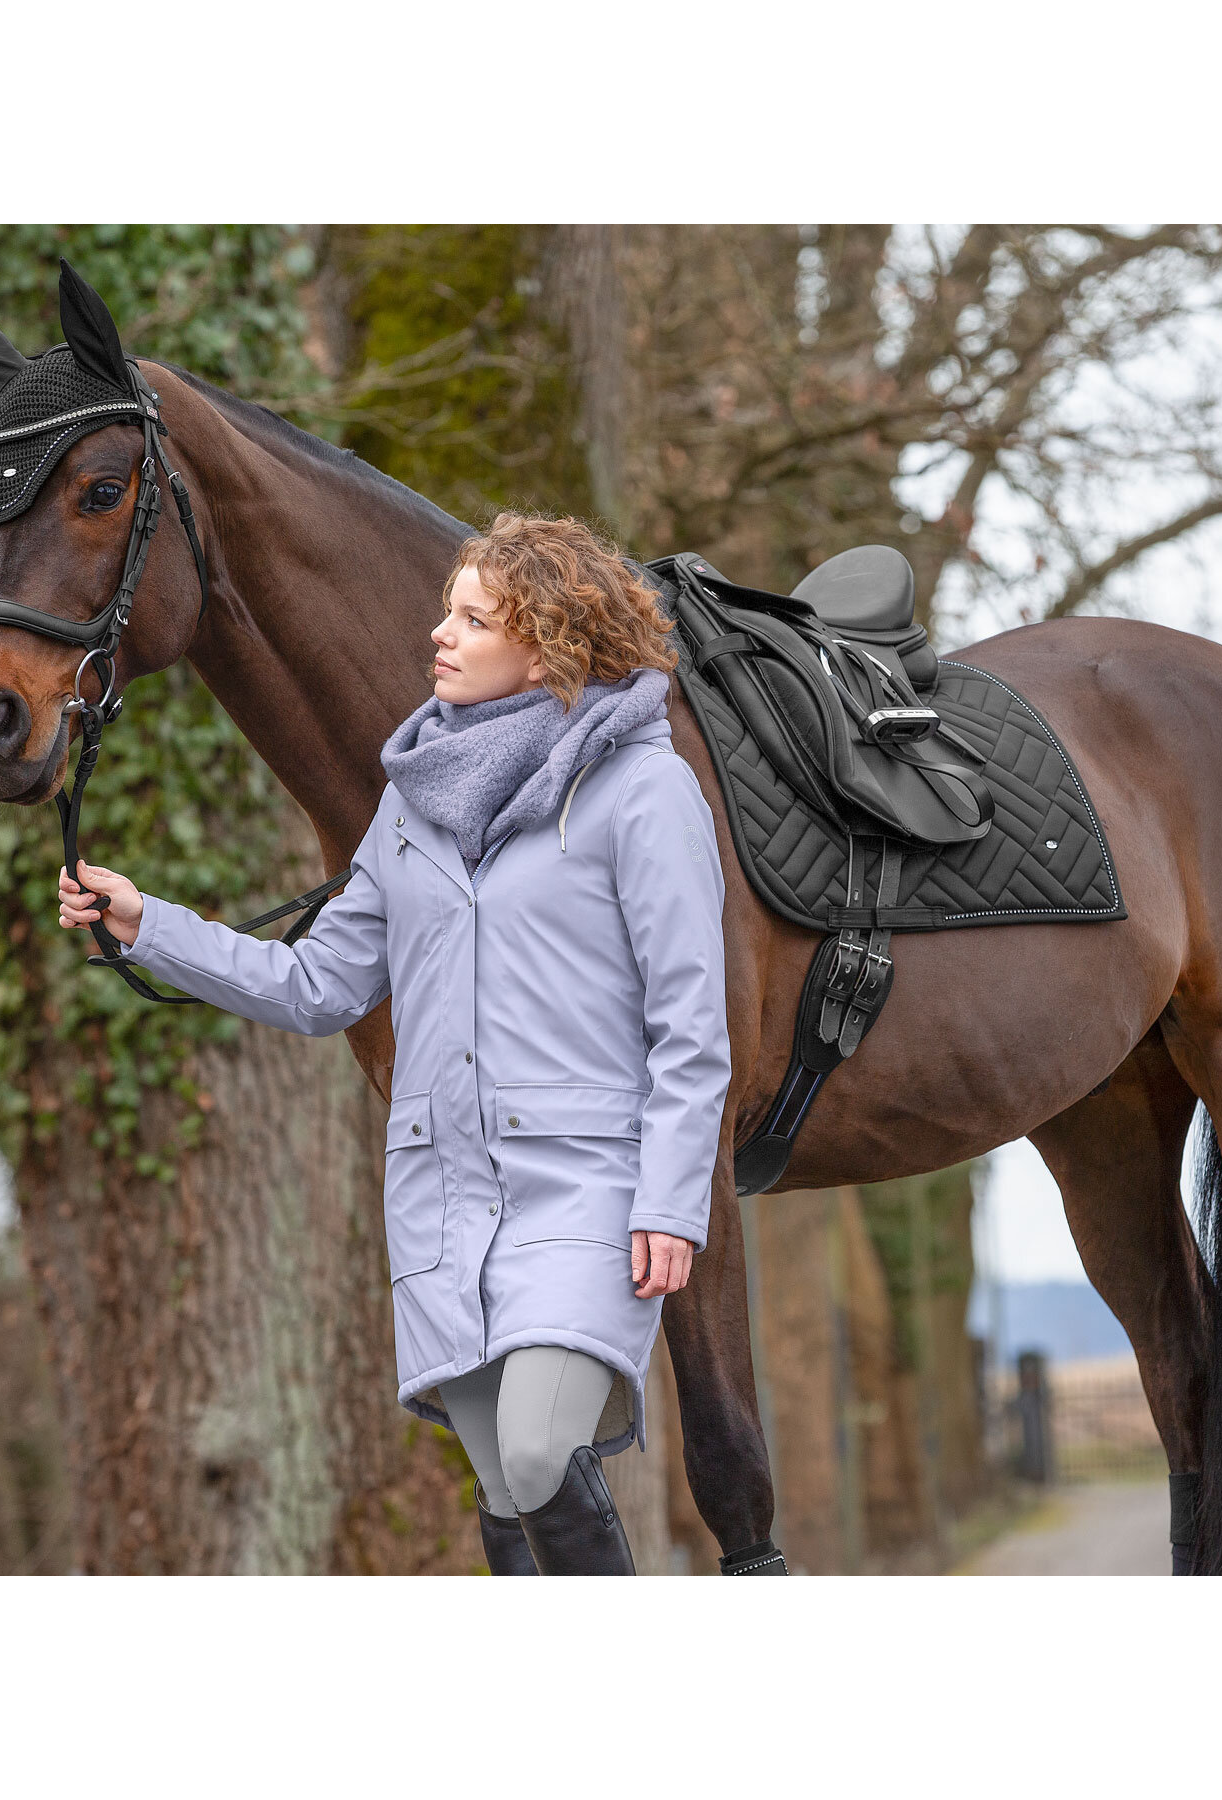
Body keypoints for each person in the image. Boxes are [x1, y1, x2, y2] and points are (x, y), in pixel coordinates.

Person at [56, 512, 732, 1575]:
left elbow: (690, 1025)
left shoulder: (642, 791)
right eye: (445, 611)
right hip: (441, 1196)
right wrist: (152, 924)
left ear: (549, 642)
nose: (440, 635)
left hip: (587, 1185)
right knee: (505, 1489)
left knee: (536, 1448)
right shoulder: (410, 805)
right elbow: (319, 985)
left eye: (472, 618)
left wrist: (668, 1201)